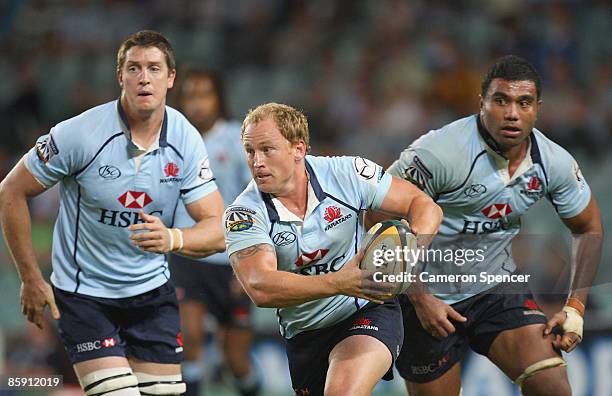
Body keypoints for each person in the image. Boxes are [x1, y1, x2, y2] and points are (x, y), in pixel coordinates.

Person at [0, 30, 226, 396]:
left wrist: (173, 238)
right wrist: (30, 277)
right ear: (120, 76)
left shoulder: (184, 137)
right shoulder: (80, 134)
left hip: (152, 295)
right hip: (84, 296)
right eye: (134, 68)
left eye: (154, 68)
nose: (144, 78)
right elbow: (11, 190)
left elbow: (217, 227)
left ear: (171, 79)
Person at [367, 55, 603, 396]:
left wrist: (575, 308)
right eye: (501, 101)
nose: (512, 113)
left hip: (495, 289)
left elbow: (589, 227)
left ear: (538, 108)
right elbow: (376, 217)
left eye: (524, 103)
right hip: (426, 296)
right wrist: (419, 298)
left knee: (552, 386)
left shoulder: (555, 163)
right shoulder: (439, 154)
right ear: (482, 103)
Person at [224, 102, 443, 396]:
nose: (256, 161)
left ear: (298, 149)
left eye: (267, 149)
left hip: (366, 309)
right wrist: (339, 282)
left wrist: (414, 247)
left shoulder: (347, 173)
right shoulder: (244, 213)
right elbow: (260, 287)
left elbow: (422, 205)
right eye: (250, 151)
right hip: (305, 334)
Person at [169, 69, 261, 396]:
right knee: (188, 336)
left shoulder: (238, 140)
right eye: (190, 95)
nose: (197, 104)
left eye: (205, 95)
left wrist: (249, 258)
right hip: (185, 252)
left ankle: (252, 387)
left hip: (229, 259)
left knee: (236, 358)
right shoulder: (171, 141)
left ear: (219, 98)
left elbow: (256, 199)